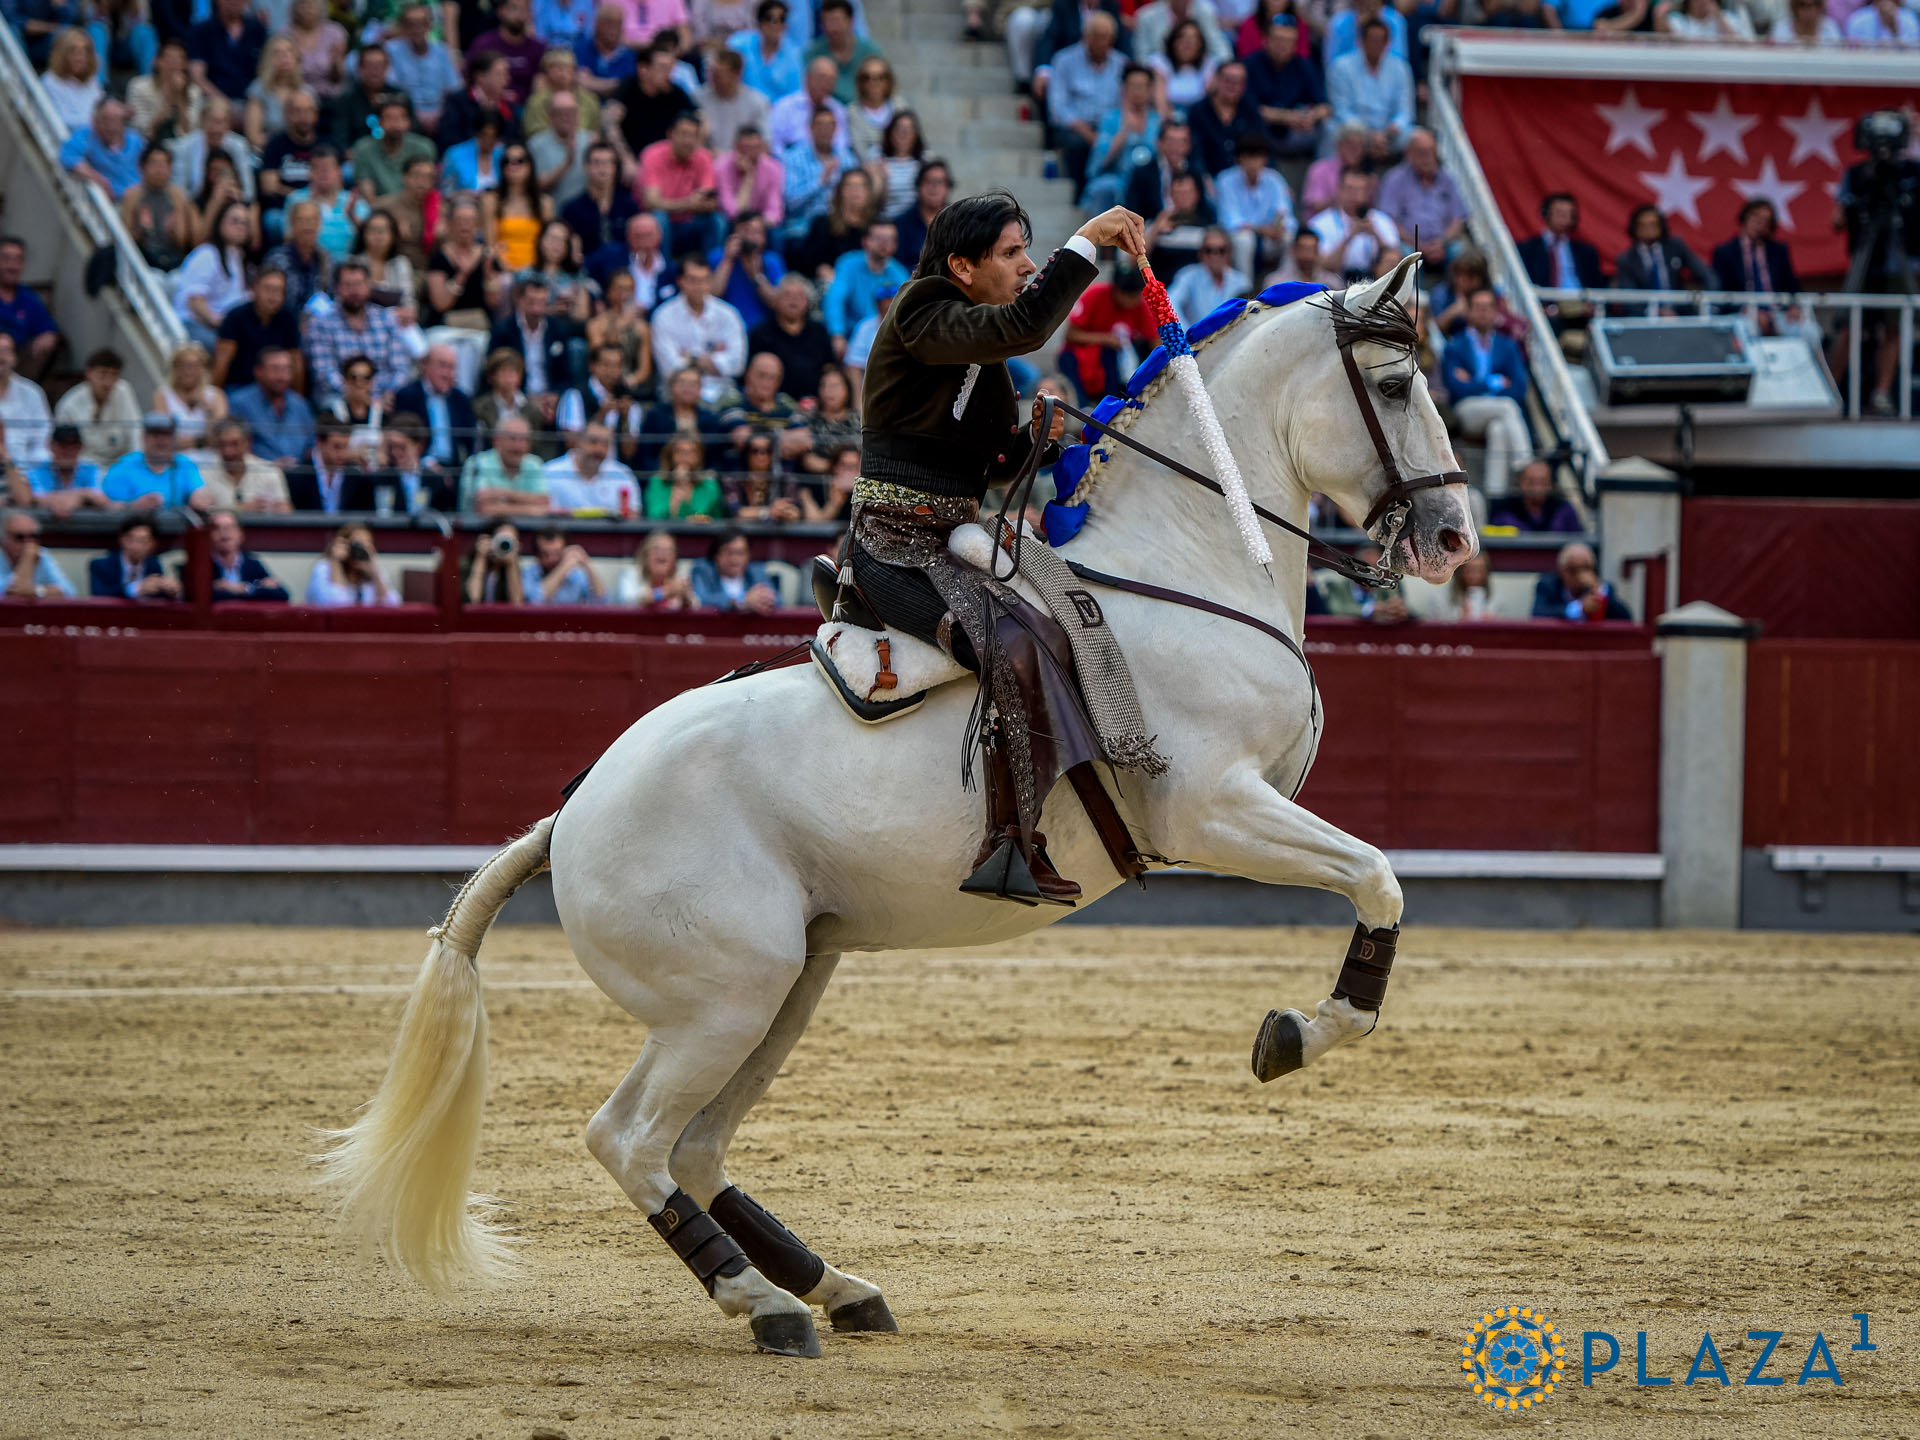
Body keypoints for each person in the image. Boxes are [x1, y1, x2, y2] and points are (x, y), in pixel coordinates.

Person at [853, 193, 1148, 903]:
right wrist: (1085, 239)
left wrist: (1038, 443)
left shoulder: (978, 349)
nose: (1026, 265)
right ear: (962, 266)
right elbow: (1028, 324)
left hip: (950, 540)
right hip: (891, 547)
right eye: (1012, 253)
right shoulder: (922, 308)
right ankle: (1008, 843)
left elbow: (992, 465)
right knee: (1013, 643)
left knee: (1062, 619)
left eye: (1026, 251)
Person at [1442, 289, 1530, 494]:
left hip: (1496, 410)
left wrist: (1474, 383)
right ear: (1469, 311)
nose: (1484, 312)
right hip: (1467, 410)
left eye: (1489, 307)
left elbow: (1519, 387)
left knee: (1498, 429)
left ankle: (1494, 494)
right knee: (1508, 406)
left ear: (1495, 311)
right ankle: (1525, 463)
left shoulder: (1508, 346)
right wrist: (1495, 382)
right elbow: (1457, 388)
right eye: (1478, 307)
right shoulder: (1455, 346)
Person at [1045, 12, 1125, 199]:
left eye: (1106, 37)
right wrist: (1086, 132)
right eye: (1096, 36)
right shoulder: (1064, 60)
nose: (1101, 42)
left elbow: (1124, 103)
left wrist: (1110, 131)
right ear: (1086, 36)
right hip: (1077, 127)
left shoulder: (1122, 64)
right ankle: (1080, 197)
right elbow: (1058, 106)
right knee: (1077, 144)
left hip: (1110, 126)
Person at [651, 256, 748, 407]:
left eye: (704, 280)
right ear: (680, 281)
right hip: (677, 396)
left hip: (723, 395)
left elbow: (738, 364)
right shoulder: (663, 316)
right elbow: (669, 369)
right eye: (693, 280)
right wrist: (714, 360)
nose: (699, 286)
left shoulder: (728, 314)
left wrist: (691, 358)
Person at [489, 277, 580, 423]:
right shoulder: (503, 331)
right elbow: (494, 371)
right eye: (532, 302)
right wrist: (527, 400)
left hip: (551, 400)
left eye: (542, 302)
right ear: (519, 300)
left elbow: (567, 374)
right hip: (516, 396)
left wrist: (555, 396)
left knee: (572, 398)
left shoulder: (558, 330)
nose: (537, 308)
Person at [1711, 199, 1803, 337]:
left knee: (1808, 331)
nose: (1759, 223)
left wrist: (1794, 306)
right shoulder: (1725, 252)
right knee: (1748, 329)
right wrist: (1750, 312)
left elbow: (1792, 285)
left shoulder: (1779, 251)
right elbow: (1720, 293)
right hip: (1742, 314)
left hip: (1777, 313)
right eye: (1755, 216)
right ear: (1745, 217)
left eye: (1765, 220)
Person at [1376, 129, 1466, 270]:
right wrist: (1418, 245)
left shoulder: (1447, 179)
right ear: (1409, 154)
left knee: (1462, 252)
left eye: (1431, 151)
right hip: (1408, 243)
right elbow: (1388, 220)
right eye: (1422, 152)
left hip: (1442, 244)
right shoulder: (1395, 179)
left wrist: (1441, 243)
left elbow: (1458, 218)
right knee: (1405, 255)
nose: (1428, 157)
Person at [638, 112, 723, 259]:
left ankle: (711, 266)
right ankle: (665, 269)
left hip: (690, 221)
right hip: (663, 221)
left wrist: (703, 203)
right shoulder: (652, 155)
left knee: (717, 220)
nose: (688, 141)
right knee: (659, 218)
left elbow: (708, 199)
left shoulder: (703, 157)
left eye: (693, 136)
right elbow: (651, 202)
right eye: (684, 134)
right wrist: (688, 203)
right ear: (670, 134)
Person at [1327, 18, 1413, 161]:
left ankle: (1405, 175)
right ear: (1361, 40)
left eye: (1380, 40)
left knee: (1417, 137)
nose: (1376, 44)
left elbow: (1405, 112)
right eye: (1372, 40)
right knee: (1331, 130)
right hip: (1354, 129)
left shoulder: (1400, 68)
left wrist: (1394, 127)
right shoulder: (1341, 66)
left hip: (1388, 134)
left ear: (1388, 43)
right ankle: (1332, 172)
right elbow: (1341, 110)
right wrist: (1368, 133)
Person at [1061, 262, 1149, 402]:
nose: (1130, 301)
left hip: (1119, 360)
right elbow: (1071, 335)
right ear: (1115, 289)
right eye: (1126, 294)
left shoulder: (1140, 304)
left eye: (1134, 295)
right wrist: (1105, 339)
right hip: (1083, 357)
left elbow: (1154, 339)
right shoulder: (1095, 294)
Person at [1081, 63, 1161, 215]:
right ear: (1123, 88)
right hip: (1118, 178)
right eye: (1133, 86)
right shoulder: (1110, 119)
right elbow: (1097, 164)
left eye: (1142, 86)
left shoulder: (1157, 121)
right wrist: (1123, 132)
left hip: (1152, 179)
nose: (1137, 91)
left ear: (1150, 89)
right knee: (1103, 188)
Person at [1213, 132, 1294, 279]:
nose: (1253, 163)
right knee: (1244, 239)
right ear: (1239, 158)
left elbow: (1284, 212)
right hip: (1235, 238)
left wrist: (1279, 227)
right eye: (1248, 157)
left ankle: (1283, 282)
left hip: (1268, 238)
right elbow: (1230, 220)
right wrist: (1260, 229)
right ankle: (1246, 287)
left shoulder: (1274, 179)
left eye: (1257, 157)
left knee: (1289, 236)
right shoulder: (1225, 180)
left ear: (1265, 159)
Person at [1245, 15, 1326, 160]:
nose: (1283, 45)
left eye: (1289, 41)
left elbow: (1325, 107)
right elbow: (1246, 108)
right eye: (1278, 39)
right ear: (1266, 40)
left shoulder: (1305, 65)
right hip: (1263, 130)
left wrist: (1309, 117)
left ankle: (1322, 172)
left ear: (1295, 45)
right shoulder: (1251, 64)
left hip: (1298, 129)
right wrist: (1285, 117)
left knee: (1330, 127)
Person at [823, 220, 907, 354]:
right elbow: (835, 300)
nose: (884, 244)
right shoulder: (848, 264)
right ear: (865, 241)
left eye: (889, 239)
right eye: (879, 238)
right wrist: (837, 335)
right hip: (851, 337)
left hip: (886, 339)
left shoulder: (899, 272)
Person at [1309, 166, 1403, 284]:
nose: (1354, 195)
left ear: (1368, 193)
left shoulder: (1382, 220)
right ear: (1339, 190)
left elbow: (1395, 259)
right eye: (1350, 189)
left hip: (1376, 281)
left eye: (1360, 190)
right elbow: (1325, 265)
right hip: (1336, 283)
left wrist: (1376, 234)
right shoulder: (1319, 223)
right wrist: (1349, 237)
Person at [54, 347, 144, 469]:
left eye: (114, 375)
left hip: (122, 465)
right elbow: (66, 449)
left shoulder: (123, 390)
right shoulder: (69, 404)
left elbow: (136, 432)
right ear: (89, 373)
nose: (108, 382)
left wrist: (138, 465)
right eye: (103, 374)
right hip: (85, 468)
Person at [227, 348, 317, 465]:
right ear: (258, 371)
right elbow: (234, 447)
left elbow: (311, 446)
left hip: (299, 472)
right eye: (275, 369)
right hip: (258, 472)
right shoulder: (240, 403)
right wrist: (269, 467)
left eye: (286, 369)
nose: (282, 376)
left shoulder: (300, 405)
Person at [569, 149, 648, 271]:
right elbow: (574, 252)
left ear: (616, 168)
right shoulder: (572, 209)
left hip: (625, 268)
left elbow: (639, 245)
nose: (602, 168)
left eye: (607, 163)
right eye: (596, 163)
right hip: (589, 268)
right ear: (586, 167)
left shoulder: (629, 205)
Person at [384, 4, 460, 130]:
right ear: (403, 27)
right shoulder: (391, 50)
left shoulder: (442, 51)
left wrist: (439, 114)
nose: (417, 29)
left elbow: (453, 88)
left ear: (430, 26)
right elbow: (392, 87)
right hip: (406, 115)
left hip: (441, 115)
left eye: (422, 23)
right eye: (411, 24)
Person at [194, 417, 294, 511]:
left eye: (235, 444)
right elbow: (202, 514)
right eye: (222, 444)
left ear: (248, 443)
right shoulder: (203, 473)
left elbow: (286, 510)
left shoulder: (269, 471)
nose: (228, 451)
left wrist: (278, 508)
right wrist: (242, 509)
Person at [710, 210, 786, 332]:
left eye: (757, 232)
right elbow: (712, 295)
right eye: (746, 231)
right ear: (734, 234)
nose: (751, 238)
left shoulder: (771, 261)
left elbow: (777, 303)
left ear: (764, 238)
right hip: (724, 329)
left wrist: (756, 274)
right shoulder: (718, 256)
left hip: (762, 331)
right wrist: (728, 261)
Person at [638, 364, 724, 471]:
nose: (687, 388)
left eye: (693, 384)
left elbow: (716, 457)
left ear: (700, 389)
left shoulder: (710, 419)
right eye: (682, 382)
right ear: (671, 386)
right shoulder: (656, 416)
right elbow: (646, 454)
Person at [352, 96, 438, 201]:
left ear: (408, 121)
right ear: (379, 122)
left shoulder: (424, 147)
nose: (395, 124)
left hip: (416, 205)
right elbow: (368, 194)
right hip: (379, 208)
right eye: (389, 118)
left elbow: (427, 187)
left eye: (401, 118)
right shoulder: (363, 149)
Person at [459, 413, 549, 513]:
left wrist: (504, 494)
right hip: (480, 524)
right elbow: (484, 509)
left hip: (525, 524)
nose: (518, 446)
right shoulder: (476, 463)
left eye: (524, 439)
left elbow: (545, 505)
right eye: (512, 438)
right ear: (496, 441)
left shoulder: (534, 464)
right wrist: (531, 507)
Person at [586, 269, 656, 396]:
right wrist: (622, 326)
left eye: (629, 289)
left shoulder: (642, 327)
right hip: (601, 385)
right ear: (609, 292)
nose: (625, 294)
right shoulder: (595, 324)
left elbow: (645, 370)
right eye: (620, 288)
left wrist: (626, 383)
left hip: (630, 385)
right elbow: (600, 358)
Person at [1614, 205, 1713, 295]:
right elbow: (1629, 294)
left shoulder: (1676, 246)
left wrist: (1712, 302)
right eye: (1642, 225)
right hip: (1644, 308)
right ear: (1634, 227)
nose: (1648, 229)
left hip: (1678, 306)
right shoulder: (1626, 259)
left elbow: (1706, 274)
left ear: (1661, 226)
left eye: (1653, 224)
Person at [194, 508, 290, 601]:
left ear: (240, 534)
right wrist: (255, 590)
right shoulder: (200, 566)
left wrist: (243, 588)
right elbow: (194, 595)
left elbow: (282, 595)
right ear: (208, 535)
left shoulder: (252, 564)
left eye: (230, 527)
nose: (223, 532)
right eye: (216, 528)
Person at [544, 420, 640, 512]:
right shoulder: (550, 473)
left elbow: (633, 514)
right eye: (593, 442)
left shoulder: (623, 475)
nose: (599, 449)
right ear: (579, 442)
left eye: (605, 444)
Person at [61, 96, 146, 201]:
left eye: (116, 120)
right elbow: (69, 157)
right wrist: (98, 179)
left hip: (140, 200)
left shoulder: (135, 140)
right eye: (105, 120)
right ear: (95, 120)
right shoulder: (87, 135)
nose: (111, 126)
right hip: (112, 201)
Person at [0, 238, 61, 381]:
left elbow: (48, 328)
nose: (12, 266)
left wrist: (49, 336)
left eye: (18, 260)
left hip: (19, 359)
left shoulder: (28, 297)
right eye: (6, 259)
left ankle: (17, 388)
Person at [189, 0, 268, 104]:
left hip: (252, 101)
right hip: (212, 102)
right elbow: (197, 76)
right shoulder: (201, 31)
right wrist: (224, 104)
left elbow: (267, 71)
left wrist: (253, 101)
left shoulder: (258, 30)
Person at [699, 48, 772, 158]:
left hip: (743, 162)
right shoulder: (698, 99)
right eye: (711, 72)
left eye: (718, 75)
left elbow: (764, 147)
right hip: (707, 160)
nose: (712, 79)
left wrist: (729, 159)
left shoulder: (757, 102)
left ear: (736, 74)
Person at [804, 0, 881, 104]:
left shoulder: (870, 52)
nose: (832, 27)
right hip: (825, 108)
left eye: (837, 21)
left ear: (851, 21)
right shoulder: (812, 53)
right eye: (827, 21)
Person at [89, 513, 182, 598]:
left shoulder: (153, 564)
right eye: (131, 539)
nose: (136, 546)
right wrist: (136, 588)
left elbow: (158, 598)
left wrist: (170, 590)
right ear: (122, 539)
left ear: (153, 543)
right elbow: (100, 596)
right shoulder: (100, 565)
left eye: (143, 541)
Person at [1167, 228, 1250, 323]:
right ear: (1200, 253)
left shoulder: (1242, 282)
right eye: (1209, 250)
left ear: (1229, 253)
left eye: (1221, 250)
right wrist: (1184, 330)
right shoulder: (1188, 276)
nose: (1215, 255)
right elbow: (1170, 302)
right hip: (1196, 332)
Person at [1533, 541, 1631, 622]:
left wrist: (1600, 593)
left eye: (1586, 568)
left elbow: (1626, 619)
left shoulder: (1603, 589)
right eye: (1573, 569)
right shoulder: (1548, 585)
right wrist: (1579, 608)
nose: (1580, 575)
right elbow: (1538, 614)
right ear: (1562, 571)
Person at [729, 0, 805, 104]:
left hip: (778, 111)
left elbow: (795, 96)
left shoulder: (795, 55)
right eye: (769, 18)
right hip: (742, 107)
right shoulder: (738, 45)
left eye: (781, 19)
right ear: (760, 23)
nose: (775, 24)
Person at [154, 342, 228, 447]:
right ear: (175, 368)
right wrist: (200, 442)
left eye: (194, 366)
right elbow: (162, 439)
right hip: (174, 456)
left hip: (209, 456)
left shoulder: (216, 395)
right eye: (182, 365)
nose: (188, 371)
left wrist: (208, 411)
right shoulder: (162, 395)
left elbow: (221, 438)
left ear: (203, 368)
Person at [306, 522, 399, 605]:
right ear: (343, 545)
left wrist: (374, 573)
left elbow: (393, 604)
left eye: (365, 546)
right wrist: (336, 562)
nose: (360, 551)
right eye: (356, 545)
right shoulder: (324, 567)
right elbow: (335, 604)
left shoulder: (372, 570)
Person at [529, 90, 595, 206]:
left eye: (570, 112)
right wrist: (566, 164)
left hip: (584, 213)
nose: (565, 117)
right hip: (551, 213)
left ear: (577, 114)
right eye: (559, 112)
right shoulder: (535, 144)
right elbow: (533, 186)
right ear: (550, 115)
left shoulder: (591, 141)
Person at [285, 419, 366, 512]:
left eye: (346, 447)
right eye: (337, 447)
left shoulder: (355, 476)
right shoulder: (298, 475)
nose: (343, 454)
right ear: (320, 443)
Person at [690, 525, 778, 610]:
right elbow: (699, 599)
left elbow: (778, 600)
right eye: (729, 552)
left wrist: (765, 600)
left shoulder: (756, 571)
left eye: (740, 553)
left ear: (748, 555)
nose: (734, 558)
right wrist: (743, 601)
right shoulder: (703, 570)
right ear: (716, 555)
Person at [0, 333, 53, 469]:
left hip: (27, 465)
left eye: (6, 351)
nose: (1, 357)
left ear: (14, 357)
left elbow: (43, 438)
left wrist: (27, 469)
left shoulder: (32, 392)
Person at [1487, 460, 1582, 533]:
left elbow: (1579, 541)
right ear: (1520, 483)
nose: (1537, 488)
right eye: (1531, 482)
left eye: (1543, 482)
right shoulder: (1503, 511)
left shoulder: (1565, 510)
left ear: (1551, 485)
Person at [644, 435, 727, 519]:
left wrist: (685, 493)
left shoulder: (710, 485)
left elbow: (715, 518)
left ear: (700, 456)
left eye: (692, 452)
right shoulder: (657, 482)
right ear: (670, 455)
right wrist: (674, 502)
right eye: (680, 451)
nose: (685, 456)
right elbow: (654, 517)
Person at [43, 28, 106, 136]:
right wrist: (100, 121)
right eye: (73, 52)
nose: (80, 58)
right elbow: (62, 121)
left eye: (85, 52)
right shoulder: (50, 81)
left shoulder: (92, 80)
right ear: (62, 54)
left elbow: (100, 109)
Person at [2, 507, 77, 598]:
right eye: (19, 537)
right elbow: (11, 594)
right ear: (4, 539)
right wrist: (27, 560)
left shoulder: (42, 554)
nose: (28, 542)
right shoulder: (30, 554)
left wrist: (36, 591)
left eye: (33, 536)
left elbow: (69, 592)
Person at [520, 525, 606, 602]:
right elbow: (535, 600)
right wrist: (564, 567)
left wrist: (587, 564)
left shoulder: (576, 575)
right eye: (545, 554)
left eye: (557, 553)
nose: (551, 559)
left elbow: (602, 601)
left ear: (565, 550)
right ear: (537, 555)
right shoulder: (527, 574)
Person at [892, 159, 950, 271]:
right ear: (918, 186)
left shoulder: (958, 222)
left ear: (947, 187)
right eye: (928, 181)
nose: (933, 187)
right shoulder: (901, 224)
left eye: (939, 182)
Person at [616, 527, 698, 606]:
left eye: (668, 550)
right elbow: (627, 602)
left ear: (675, 558)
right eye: (656, 549)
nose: (662, 554)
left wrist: (684, 599)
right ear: (646, 555)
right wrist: (665, 592)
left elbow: (696, 606)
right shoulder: (631, 575)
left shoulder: (680, 578)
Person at [801, 361, 859, 472]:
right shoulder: (807, 419)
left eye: (835, 386)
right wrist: (831, 466)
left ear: (847, 389)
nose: (828, 391)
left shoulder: (859, 421)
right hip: (814, 478)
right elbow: (807, 459)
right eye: (824, 385)